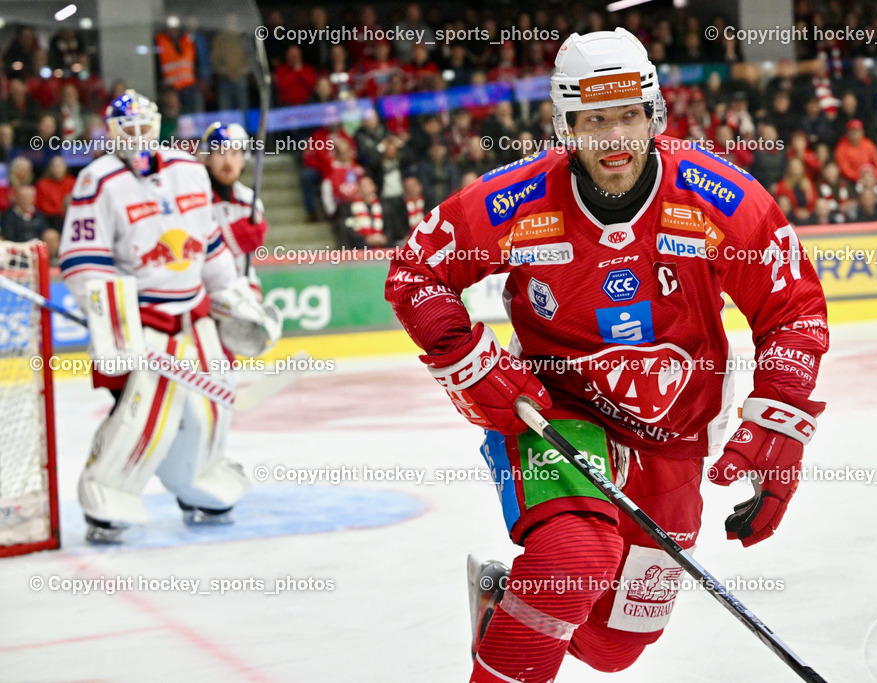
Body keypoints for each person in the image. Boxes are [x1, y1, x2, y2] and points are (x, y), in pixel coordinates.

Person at [384, 28, 829, 683]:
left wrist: (779, 420)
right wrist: (474, 364)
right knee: (574, 557)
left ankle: (508, 612)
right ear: (566, 126)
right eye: (595, 121)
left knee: (613, 648)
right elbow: (416, 271)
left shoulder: (718, 195)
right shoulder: (516, 199)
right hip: (556, 411)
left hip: (674, 434)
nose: (615, 137)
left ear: (654, 115)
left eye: (629, 116)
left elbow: (792, 308)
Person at [57, 91, 280, 544]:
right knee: (142, 414)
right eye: (128, 128)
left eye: (145, 125)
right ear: (111, 132)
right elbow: (84, 262)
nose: (138, 136)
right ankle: (109, 491)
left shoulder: (187, 170)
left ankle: (199, 479)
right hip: (143, 320)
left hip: (194, 317)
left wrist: (235, 297)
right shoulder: (97, 180)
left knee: (211, 407)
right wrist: (113, 321)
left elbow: (210, 247)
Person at [199, 121, 271, 301]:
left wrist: (252, 285)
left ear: (244, 158)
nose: (228, 161)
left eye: (235, 153)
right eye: (220, 153)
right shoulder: (197, 199)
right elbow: (194, 252)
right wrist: (232, 236)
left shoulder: (250, 201)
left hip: (239, 291)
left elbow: (246, 259)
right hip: (204, 293)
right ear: (207, 157)